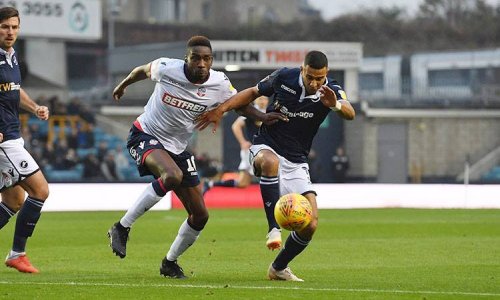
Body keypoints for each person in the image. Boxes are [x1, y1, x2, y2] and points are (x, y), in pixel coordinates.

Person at [107, 35, 283, 279]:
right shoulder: (167, 68)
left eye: (207, 59)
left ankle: (169, 263)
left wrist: (262, 117)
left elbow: (237, 103)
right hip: (145, 133)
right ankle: (121, 227)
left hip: (177, 147)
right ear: (186, 59)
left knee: (200, 215)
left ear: (211, 61)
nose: (202, 64)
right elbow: (141, 70)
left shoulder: (220, 82)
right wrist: (123, 85)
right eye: (196, 58)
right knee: (172, 176)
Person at [196, 50, 355, 281]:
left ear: (326, 74)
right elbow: (251, 92)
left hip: (297, 160)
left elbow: (350, 113)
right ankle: (273, 228)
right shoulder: (284, 77)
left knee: (310, 224)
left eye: (319, 78)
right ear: (302, 69)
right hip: (265, 146)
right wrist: (220, 110)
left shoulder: (331, 90)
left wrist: (336, 106)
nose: (313, 82)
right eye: (309, 76)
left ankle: (278, 268)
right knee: (270, 162)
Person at [0, 7, 50, 274]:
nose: (10, 32)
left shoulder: (11, 56)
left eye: (14, 27)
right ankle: (17, 253)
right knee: (40, 190)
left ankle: (17, 253)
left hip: (12, 136)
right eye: (5, 27)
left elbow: (14, 90)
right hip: (3, 140)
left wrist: (34, 108)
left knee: (14, 201)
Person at [203, 96, 269, 193]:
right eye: (260, 99)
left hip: (265, 150)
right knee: (268, 173)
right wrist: (243, 142)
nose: (262, 101)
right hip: (252, 151)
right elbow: (236, 126)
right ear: (255, 100)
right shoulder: (252, 111)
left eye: (264, 99)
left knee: (242, 183)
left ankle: (210, 184)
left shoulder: (268, 112)